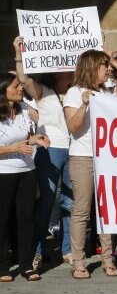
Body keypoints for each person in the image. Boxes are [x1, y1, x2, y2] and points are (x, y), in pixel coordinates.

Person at [13, 36, 74, 270]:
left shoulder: (75, 92)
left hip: (74, 150)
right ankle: (37, 250)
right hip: (51, 150)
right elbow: (24, 78)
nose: (71, 69)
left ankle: (68, 249)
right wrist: (19, 53)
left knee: (70, 202)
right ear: (57, 72)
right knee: (47, 201)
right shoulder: (44, 91)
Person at [63, 50, 117, 279]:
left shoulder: (108, 92)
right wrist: (84, 105)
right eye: (104, 65)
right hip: (83, 157)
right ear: (91, 67)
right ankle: (79, 262)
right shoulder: (74, 93)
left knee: (108, 210)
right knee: (82, 211)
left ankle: (108, 260)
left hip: (107, 157)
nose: (108, 69)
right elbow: (73, 127)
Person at [0, 72, 50, 282]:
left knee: (25, 219)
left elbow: (25, 139)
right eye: (16, 86)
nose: (20, 88)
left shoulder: (22, 110)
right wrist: (13, 147)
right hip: (4, 173)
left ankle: (25, 264)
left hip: (26, 171)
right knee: (2, 220)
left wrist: (35, 139)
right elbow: (13, 144)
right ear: (3, 91)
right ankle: (3, 266)